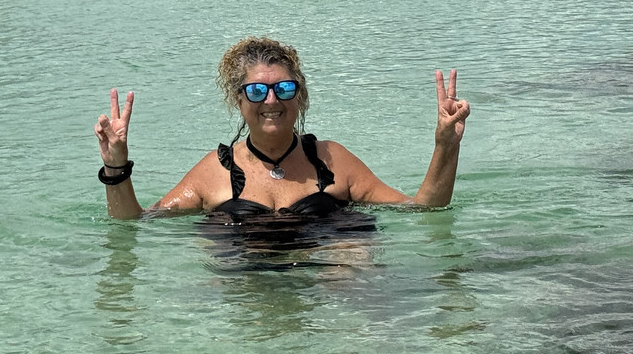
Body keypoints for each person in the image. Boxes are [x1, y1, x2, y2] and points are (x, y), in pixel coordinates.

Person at [94, 36, 470, 221]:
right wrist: (115, 167)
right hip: (249, 287)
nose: (271, 101)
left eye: (284, 88)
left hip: (334, 285)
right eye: (256, 90)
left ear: (300, 96)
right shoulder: (214, 172)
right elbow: (135, 223)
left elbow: (423, 211)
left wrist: (445, 146)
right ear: (237, 100)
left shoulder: (332, 160)